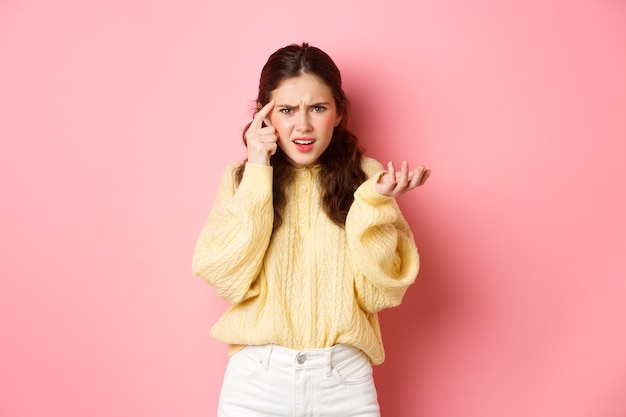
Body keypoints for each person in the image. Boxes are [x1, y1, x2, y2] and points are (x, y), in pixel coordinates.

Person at [192, 42, 431, 417]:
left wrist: (373, 205)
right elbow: (226, 277)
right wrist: (258, 170)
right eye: (286, 110)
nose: (302, 125)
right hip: (257, 383)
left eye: (318, 108)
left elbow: (379, 293)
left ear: (337, 113)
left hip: (343, 382)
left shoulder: (368, 179)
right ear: (265, 116)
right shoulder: (242, 180)